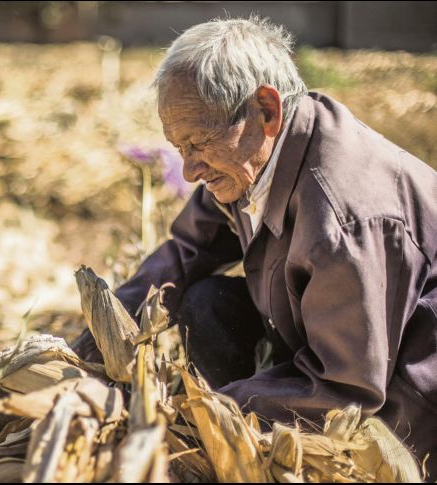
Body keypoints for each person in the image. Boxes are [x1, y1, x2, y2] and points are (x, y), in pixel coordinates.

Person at [72, 16, 437, 476]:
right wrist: (93, 341)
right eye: (179, 148)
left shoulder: (345, 221)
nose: (189, 171)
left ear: (266, 110)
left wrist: (202, 413)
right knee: (205, 302)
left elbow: (347, 390)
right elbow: (188, 250)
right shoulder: (256, 152)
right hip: (329, 349)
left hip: (406, 413)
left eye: (198, 143)